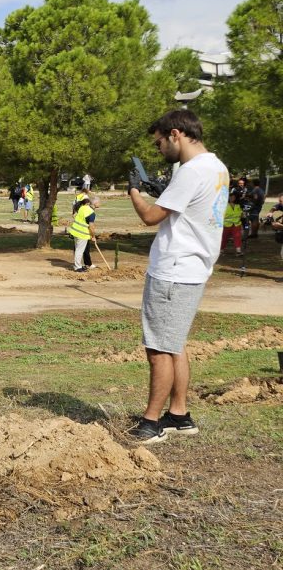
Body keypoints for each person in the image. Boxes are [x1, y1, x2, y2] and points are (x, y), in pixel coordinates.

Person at [126, 109, 228, 444]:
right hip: (195, 267)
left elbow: (151, 218)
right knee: (174, 344)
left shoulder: (189, 171)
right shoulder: (216, 167)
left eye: (159, 144)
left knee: (158, 347)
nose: (158, 150)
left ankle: (151, 422)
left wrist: (135, 193)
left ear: (175, 135)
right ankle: (180, 414)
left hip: (172, 270)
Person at [68, 197, 100, 270]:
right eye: (99, 202)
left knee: (77, 249)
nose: (100, 204)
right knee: (79, 250)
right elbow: (91, 227)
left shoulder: (83, 207)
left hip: (75, 231)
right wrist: (93, 236)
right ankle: (77, 267)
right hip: (82, 234)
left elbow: (76, 216)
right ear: (95, 203)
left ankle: (78, 265)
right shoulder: (91, 213)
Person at [221, 191, 244, 257]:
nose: (232, 198)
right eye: (230, 197)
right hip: (226, 225)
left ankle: (238, 251)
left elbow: (241, 214)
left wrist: (243, 215)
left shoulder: (238, 206)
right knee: (224, 238)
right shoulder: (224, 205)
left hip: (236, 224)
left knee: (237, 237)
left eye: (233, 197)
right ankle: (221, 250)